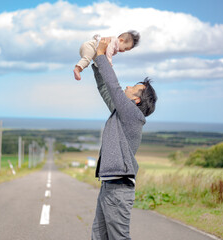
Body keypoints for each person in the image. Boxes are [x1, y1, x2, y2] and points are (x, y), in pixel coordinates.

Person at [91, 38, 157, 240]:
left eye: (133, 87)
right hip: (109, 186)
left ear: (136, 100)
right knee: (99, 237)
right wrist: (97, 63)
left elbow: (113, 86)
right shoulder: (122, 114)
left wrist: (102, 54)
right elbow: (106, 89)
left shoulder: (132, 115)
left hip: (119, 188)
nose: (127, 86)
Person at [73, 31, 140, 81]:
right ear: (121, 40)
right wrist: (109, 63)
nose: (123, 51)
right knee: (87, 59)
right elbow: (109, 52)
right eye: (125, 48)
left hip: (94, 50)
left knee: (97, 64)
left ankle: (81, 70)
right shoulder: (114, 41)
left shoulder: (114, 44)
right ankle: (77, 69)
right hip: (90, 46)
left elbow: (102, 55)